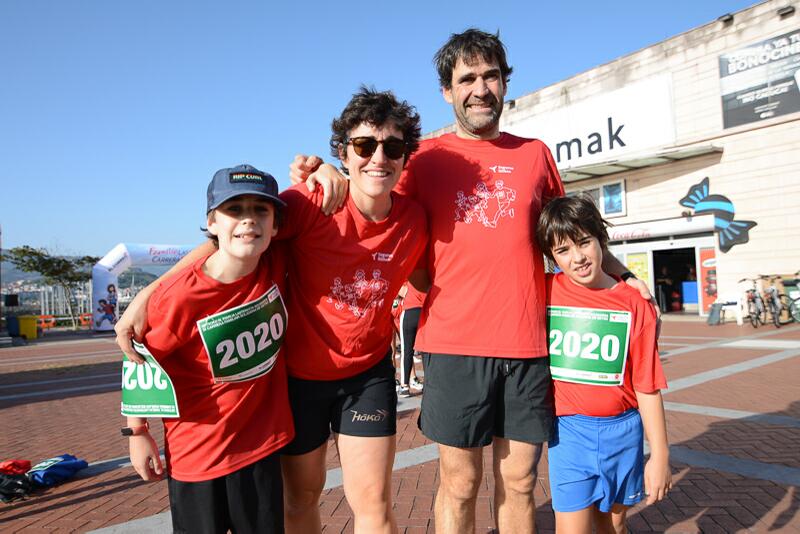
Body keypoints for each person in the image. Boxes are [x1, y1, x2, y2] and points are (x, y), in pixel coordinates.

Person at [290, 29, 655, 533]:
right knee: (459, 483)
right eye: (467, 79)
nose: (480, 88)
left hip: (528, 345)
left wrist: (625, 275)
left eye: (490, 76)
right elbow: (374, 190)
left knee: (522, 482)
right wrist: (325, 169)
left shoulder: (536, 155)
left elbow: (571, 234)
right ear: (447, 90)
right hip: (455, 345)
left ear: (505, 83)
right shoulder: (423, 159)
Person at [116, 88, 427, 534]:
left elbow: (431, 277)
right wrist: (150, 293)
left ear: (404, 156)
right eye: (364, 146)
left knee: (374, 504)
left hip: (367, 376)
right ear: (343, 152)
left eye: (392, 147)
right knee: (300, 500)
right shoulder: (310, 203)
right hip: (298, 379)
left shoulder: (415, 219)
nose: (378, 158)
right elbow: (225, 240)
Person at [123, 165, 294, 533]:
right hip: (197, 457)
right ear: (212, 222)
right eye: (234, 210)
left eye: (260, 210)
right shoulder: (178, 297)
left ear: (276, 225)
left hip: (260, 449)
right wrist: (138, 434)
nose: (248, 220)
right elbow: (140, 363)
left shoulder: (275, 262)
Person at [537, 195, 672, 533]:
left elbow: (647, 384)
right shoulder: (545, 291)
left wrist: (660, 455)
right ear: (552, 257)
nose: (578, 258)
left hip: (624, 433)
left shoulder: (634, 303)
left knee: (613, 524)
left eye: (584, 243)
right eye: (562, 251)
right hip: (567, 434)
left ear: (601, 240)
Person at [395, 282, 425, 398]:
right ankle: (429, 384)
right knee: (425, 350)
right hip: (424, 311)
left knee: (406, 350)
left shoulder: (407, 274)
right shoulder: (426, 275)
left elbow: (399, 290)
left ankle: (404, 386)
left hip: (409, 310)